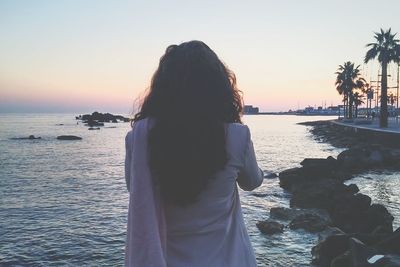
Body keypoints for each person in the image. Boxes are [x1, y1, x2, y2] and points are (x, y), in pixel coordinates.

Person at [125, 40, 263, 267]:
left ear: (161, 89)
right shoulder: (237, 137)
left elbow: (135, 187)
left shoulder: (138, 139)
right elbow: (252, 182)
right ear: (219, 88)